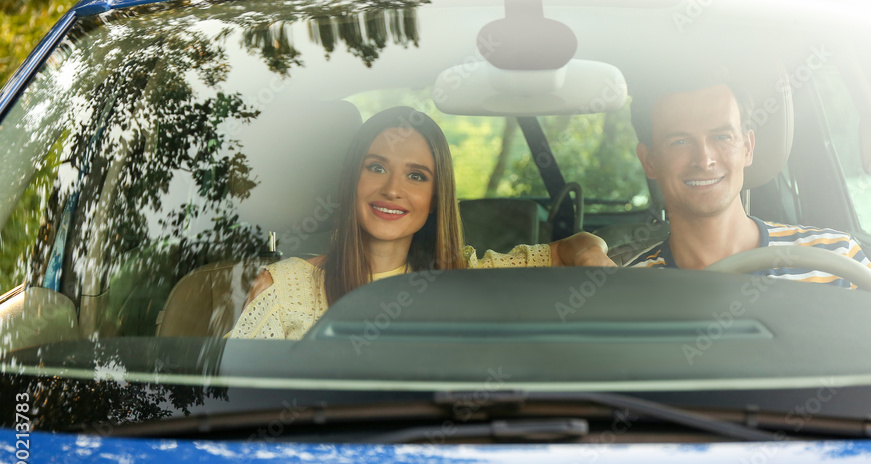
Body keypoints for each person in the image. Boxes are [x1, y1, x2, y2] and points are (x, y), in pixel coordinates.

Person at [230, 106, 614, 340]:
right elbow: (238, 408)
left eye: (416, 176)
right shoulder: (282, 288)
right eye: (377, 167)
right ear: (353, 180)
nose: (392, 189)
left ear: (435, 200)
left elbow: (571, 248)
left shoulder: (467, 274)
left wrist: (593, 255)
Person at [626, 73, 871, 288]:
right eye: (680, 142)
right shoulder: (630, 288)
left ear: (748, 147)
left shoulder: (836, 260)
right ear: (649, 160)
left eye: (722, 137)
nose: (704, 160)